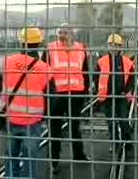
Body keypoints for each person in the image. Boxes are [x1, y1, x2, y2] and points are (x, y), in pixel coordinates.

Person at [0, 27, 55, 179]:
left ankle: (11, 176)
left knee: (11, 155)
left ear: (20, 42)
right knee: (30, 157)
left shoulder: (6, 63)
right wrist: (46, 117)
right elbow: (51, 97)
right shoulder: (45, 69)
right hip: (32, 121)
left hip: (10, 118)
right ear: (39, 43)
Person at [41, 23, 90, 174]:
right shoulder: (50, 48)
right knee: (54, 129)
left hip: (76, 94)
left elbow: (85, 71)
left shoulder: (81, 48)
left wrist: (86, 91)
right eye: (59, 32)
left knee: (75, 126)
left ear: (72, 34)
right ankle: (54, 161)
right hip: (56, 95)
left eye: (65, 32)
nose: (61, 35)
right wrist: (46, 94)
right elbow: (43, 71)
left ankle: (79, 155)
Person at [93, 33, 135, 152]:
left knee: (123, 120)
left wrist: (126, 91)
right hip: (107, 97)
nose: (113, 47)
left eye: (115, 45)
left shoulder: (127, 62)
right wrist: (98, 90)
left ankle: (127, 141)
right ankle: (114, 143)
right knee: (111, 123)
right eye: (110, 45)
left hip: (121, 96)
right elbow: (95, 78)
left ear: (120, 47)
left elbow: (131, 79)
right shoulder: (101, 62)